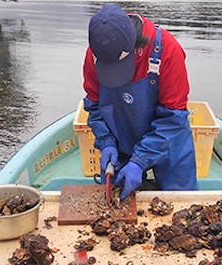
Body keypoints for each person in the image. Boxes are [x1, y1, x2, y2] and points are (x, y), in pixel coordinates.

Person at [83, 4, 198, 201]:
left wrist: (140, 161)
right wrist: (107, 142)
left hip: (168, 137)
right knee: (113, 199)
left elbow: (173, 117)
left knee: (183, 203)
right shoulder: (96, 54)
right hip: (121, 135)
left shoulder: (167, 50)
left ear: (137, 46)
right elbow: (94, 106)